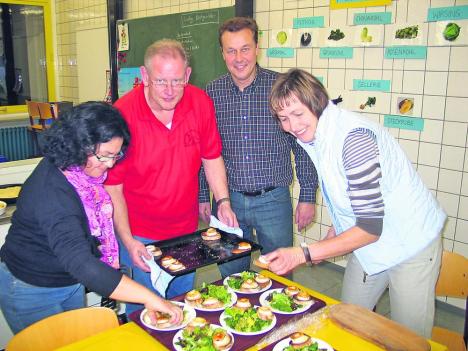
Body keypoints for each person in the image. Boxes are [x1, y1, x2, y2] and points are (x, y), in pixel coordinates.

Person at [265, 68, 445, 337]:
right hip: (370, 242)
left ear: (317, 103)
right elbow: (347, 191)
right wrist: (337, 228)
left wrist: (303, 253)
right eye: (283, 119)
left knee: (408, 338)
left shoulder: (354, 139)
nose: (292, 126)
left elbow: (370, 227)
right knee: (346, 319)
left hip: (410, 242)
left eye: (298, 114)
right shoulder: (317, 133)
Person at [0, 102, 182, 334]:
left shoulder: (79, 173)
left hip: (68, 281)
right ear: (78, 144)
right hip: (30, 287)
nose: (110, 165)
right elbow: (81, 262)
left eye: (116, 155)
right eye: (104, 156)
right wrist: (149, 297)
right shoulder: (54, 191)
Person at [105, 39, 238, 315]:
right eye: (160, 81)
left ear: (187, 75)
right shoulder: (122, 115)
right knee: (144, 314)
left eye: (177, 81)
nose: (169, 91)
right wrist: (128, 241)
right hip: (139, 235)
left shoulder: (200, 103)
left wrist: (223, 201)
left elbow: (211, 157)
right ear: (144, 76)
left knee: (183, 306)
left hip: (185, 233)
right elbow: (113, 188)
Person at [199, 17, 318, 278]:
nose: (238, 57)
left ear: (257, 48)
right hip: (228, 201)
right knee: (231, 275)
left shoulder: (280, 88)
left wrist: (308, 194)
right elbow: (205, 150)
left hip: (273, 201)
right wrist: (202, 196)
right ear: (222, 53)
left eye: (245, 48)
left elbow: (302, 145)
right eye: (231, 50)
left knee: (279, 274)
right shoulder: (211, 93)